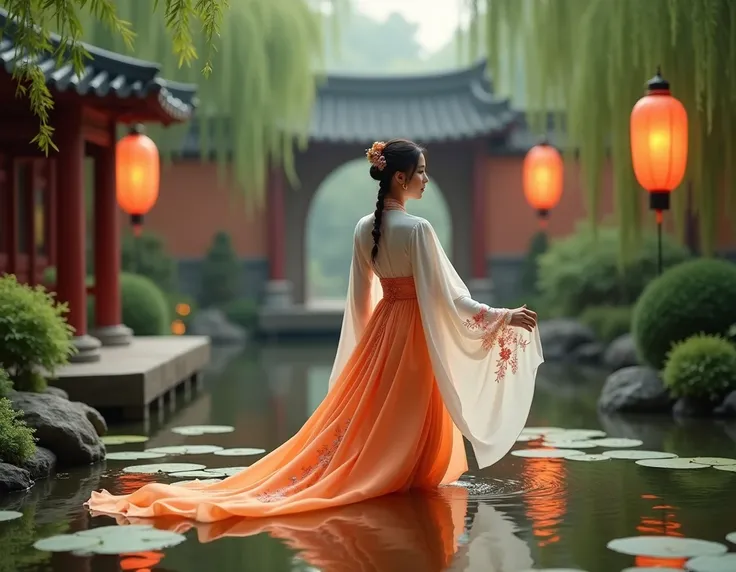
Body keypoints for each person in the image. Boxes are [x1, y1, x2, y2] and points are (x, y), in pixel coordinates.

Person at [85, 139, 543, 523]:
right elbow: (448, 298)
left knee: (383, 412)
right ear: (400, 179)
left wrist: (368, 350)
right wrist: (502, 315)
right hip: (414, 335)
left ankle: (388, 471)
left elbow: (360, 299)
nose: (426, 179)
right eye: (420, 172)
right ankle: (398, 475)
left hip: (385, 331)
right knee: (409, 411)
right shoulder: (419, 229)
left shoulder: (366, 228)